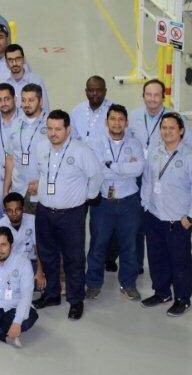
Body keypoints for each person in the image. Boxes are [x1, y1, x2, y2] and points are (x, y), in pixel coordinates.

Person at [31, 110, 103, 320]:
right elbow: (40, 173)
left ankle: (75, 300)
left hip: (71, 215)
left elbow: (96, 176)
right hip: (44, 211)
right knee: (47, 255)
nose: (53, 133)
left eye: (58, 129)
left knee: (74, 259)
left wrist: (88, 196)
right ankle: (52, 294)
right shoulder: (41, 146)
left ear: (68, 129)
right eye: (49, 129)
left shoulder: (81, 150)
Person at [84, 104, 144, 301]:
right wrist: (124, 168)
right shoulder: (96, 143)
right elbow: (97, 170)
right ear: (106, 121)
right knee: (98, 244)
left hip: (129, 203)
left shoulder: (134, 143)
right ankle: (93, 284)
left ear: (126, 122)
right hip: (103, 203)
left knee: (130, 246)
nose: (117, 123)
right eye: (113, 119)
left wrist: (112, 166)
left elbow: (138, 169)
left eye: (121, 119)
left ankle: (128, 284)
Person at [139, 113, 192, 316]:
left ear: (181, 131)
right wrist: (145, 205)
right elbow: (147, 180)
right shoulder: (154, 151)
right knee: (156, 258)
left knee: (180, 262)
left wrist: (190, 217)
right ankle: (162, 293)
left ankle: (182, 298)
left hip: (178, 220)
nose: (167, 131)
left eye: (172, 128)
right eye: (164, 127)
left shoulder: (188, 156)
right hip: (154, 216)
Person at [2, 84, 48, 201]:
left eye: (31, 100)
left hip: (43, 190)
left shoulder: (50, 124)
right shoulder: (15, 123)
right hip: (19, 190)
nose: (26, 104)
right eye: (23, 100)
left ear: (41, 101)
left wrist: (44, 184)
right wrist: (5, 190)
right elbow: (10, 158)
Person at [71, 76, 112, 144]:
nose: (94, 93)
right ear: (86, 91)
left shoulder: (114, 111)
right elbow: (72, 137)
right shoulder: (77, 111)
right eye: (91, 90)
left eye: (98, 90)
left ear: (105, 91)